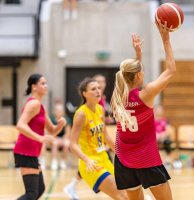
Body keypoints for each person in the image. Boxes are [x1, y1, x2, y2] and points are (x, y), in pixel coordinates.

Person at [110, 21, 175, 200]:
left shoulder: (117, 96)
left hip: (123, 161)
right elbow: (171, 70)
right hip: (146, 159)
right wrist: (166, 38)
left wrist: (138, 56)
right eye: (142, 71)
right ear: (139, 75)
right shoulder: (146, 94)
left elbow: (129, 80)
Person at [69, 77, 127, 200]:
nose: (97, 91)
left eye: (99, 88)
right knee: (121, 196)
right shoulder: (81, 114)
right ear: (84, 94)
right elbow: (72, 144)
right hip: (91, 163)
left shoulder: (100, 109)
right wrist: (87, 160)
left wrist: (121, 153)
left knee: (127, 195)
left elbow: (106, 137)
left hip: (104, 158)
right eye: (93, 89)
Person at [14, 73, 66, 200]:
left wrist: (61, 125)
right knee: (31, 194)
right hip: (25, 151)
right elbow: (20, 125)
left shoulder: (41, 106)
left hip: (32, 152)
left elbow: (52, 131)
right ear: (34, 87)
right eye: (42, 83)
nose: (46, 86)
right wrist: (40, 138)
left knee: (39, 189)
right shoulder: (34, 104)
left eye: (46, 83)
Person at [49, 102, 72, 170]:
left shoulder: (67, 119)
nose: (59, 112)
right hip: (54, 137)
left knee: (66, 144)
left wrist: (63, 139)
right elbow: (50, 132)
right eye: (57, 110)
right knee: (55, 143)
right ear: (55, 111)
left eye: (60, 110)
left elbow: (68, 133)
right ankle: (54, 161)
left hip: (63, 138)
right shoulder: (51, 118)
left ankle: (63, 161)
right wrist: (55, 138)